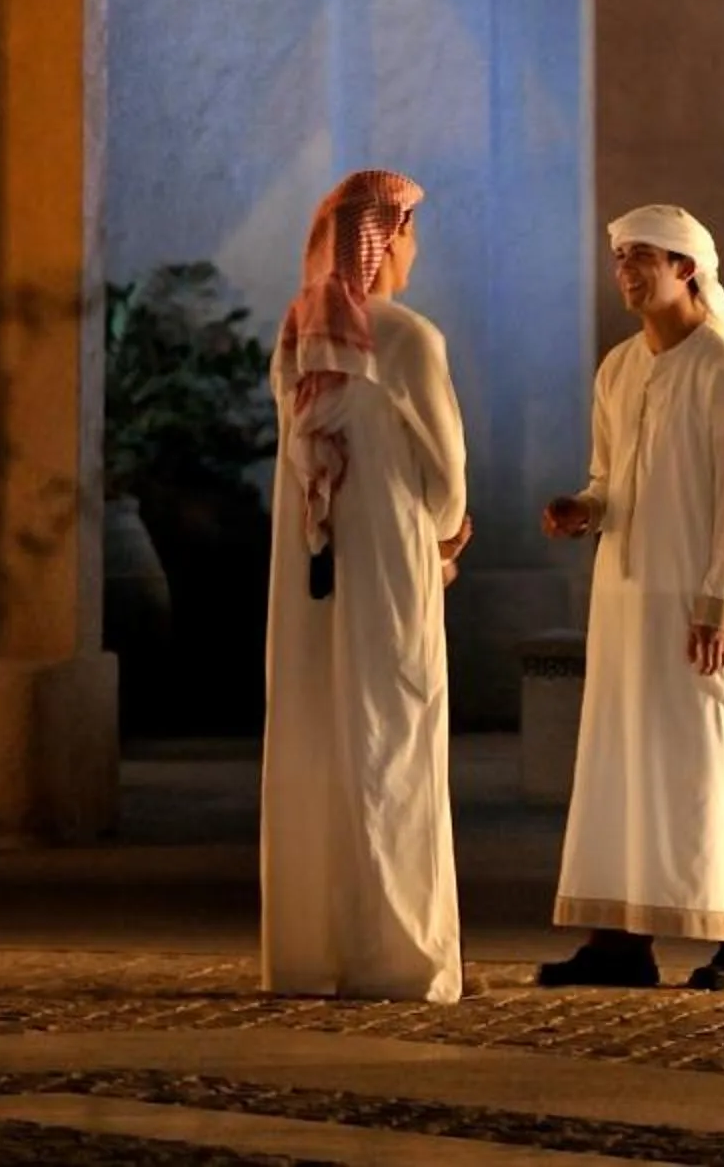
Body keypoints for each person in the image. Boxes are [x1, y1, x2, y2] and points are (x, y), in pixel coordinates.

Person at [538, 204, 724, 992]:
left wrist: (715, 604)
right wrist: (586, 509)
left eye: (644, 256)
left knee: (713, 757)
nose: (627, 271)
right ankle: (621, 939)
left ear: (687, 268)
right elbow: (611, 480)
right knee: (622, 754)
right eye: (619, 258)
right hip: (624, 600)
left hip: (697, 607)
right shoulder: (617, 369)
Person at [261, 167, 472, 1001]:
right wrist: (448, 532)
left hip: (312, 567)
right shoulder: (408, 337)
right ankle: (397, 956)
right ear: (383, 240)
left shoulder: (297, 335)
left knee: (322, 729)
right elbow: (447, 472)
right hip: (389, 559)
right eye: (410, 231)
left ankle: (313, 951)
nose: (415, 248)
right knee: (396, 729)